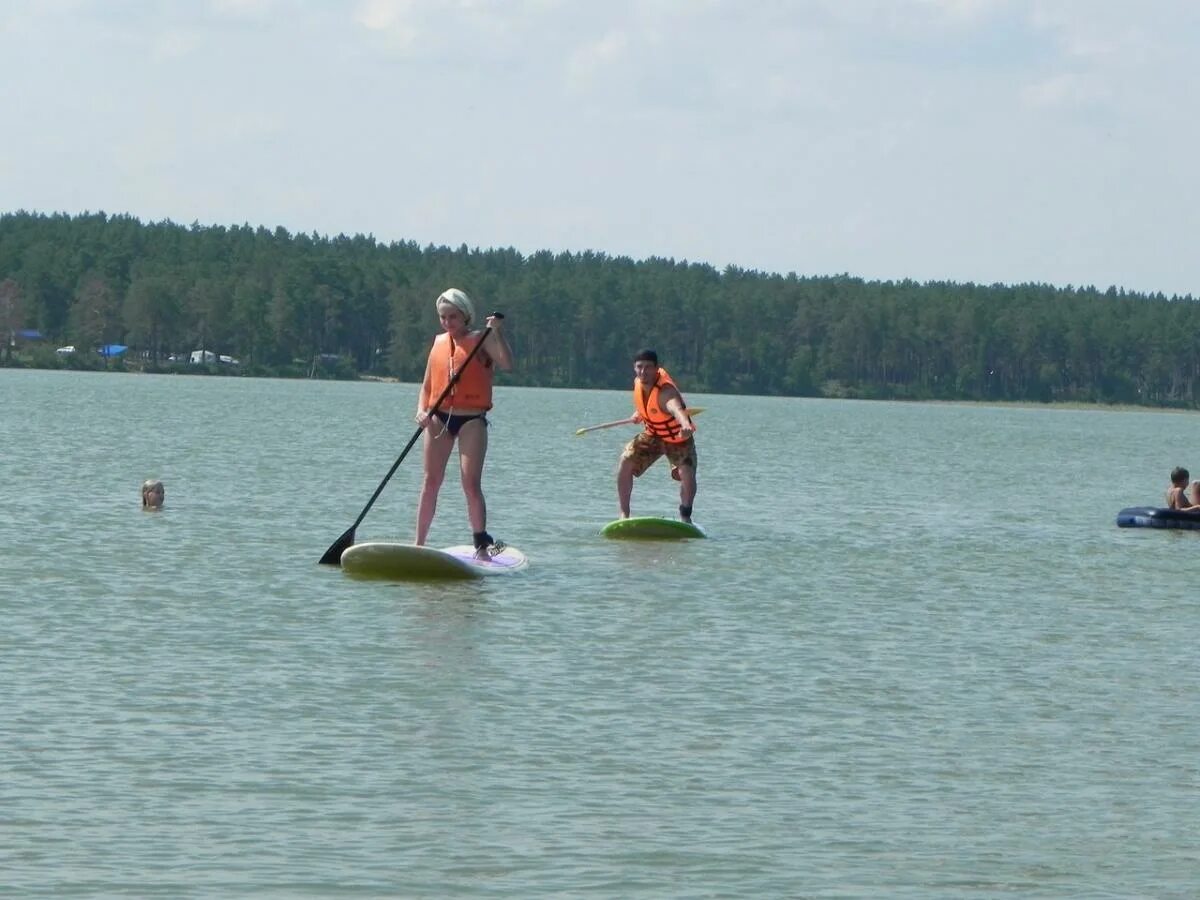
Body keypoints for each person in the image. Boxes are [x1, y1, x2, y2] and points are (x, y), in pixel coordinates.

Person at [414, 288, 513, 559]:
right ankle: (418, 545)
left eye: (453, 317)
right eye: (443, 317)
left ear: (465, 315)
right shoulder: (438, 343)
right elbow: (427, 385)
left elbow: (506, 363)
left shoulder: (482, 339)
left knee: (470, 483)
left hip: (471, 419)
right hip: (438, 417)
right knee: (430, 481)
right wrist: (421, 411)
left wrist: (497, 332)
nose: (447, 322)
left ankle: (481, 545)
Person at [616, 349, 698, 523]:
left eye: (648, 367)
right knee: (626, 460)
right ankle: (624, 515)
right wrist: (639, 413)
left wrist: (685, 426)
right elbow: (648, 405)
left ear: (656, 369)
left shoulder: (665, 392)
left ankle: (685, 517)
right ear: (634, 368)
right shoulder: (638, 383)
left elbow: (676, 409)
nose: (643, 372)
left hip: (678, 437)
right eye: (639, 367)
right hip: (653, 435)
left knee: (686, 472)